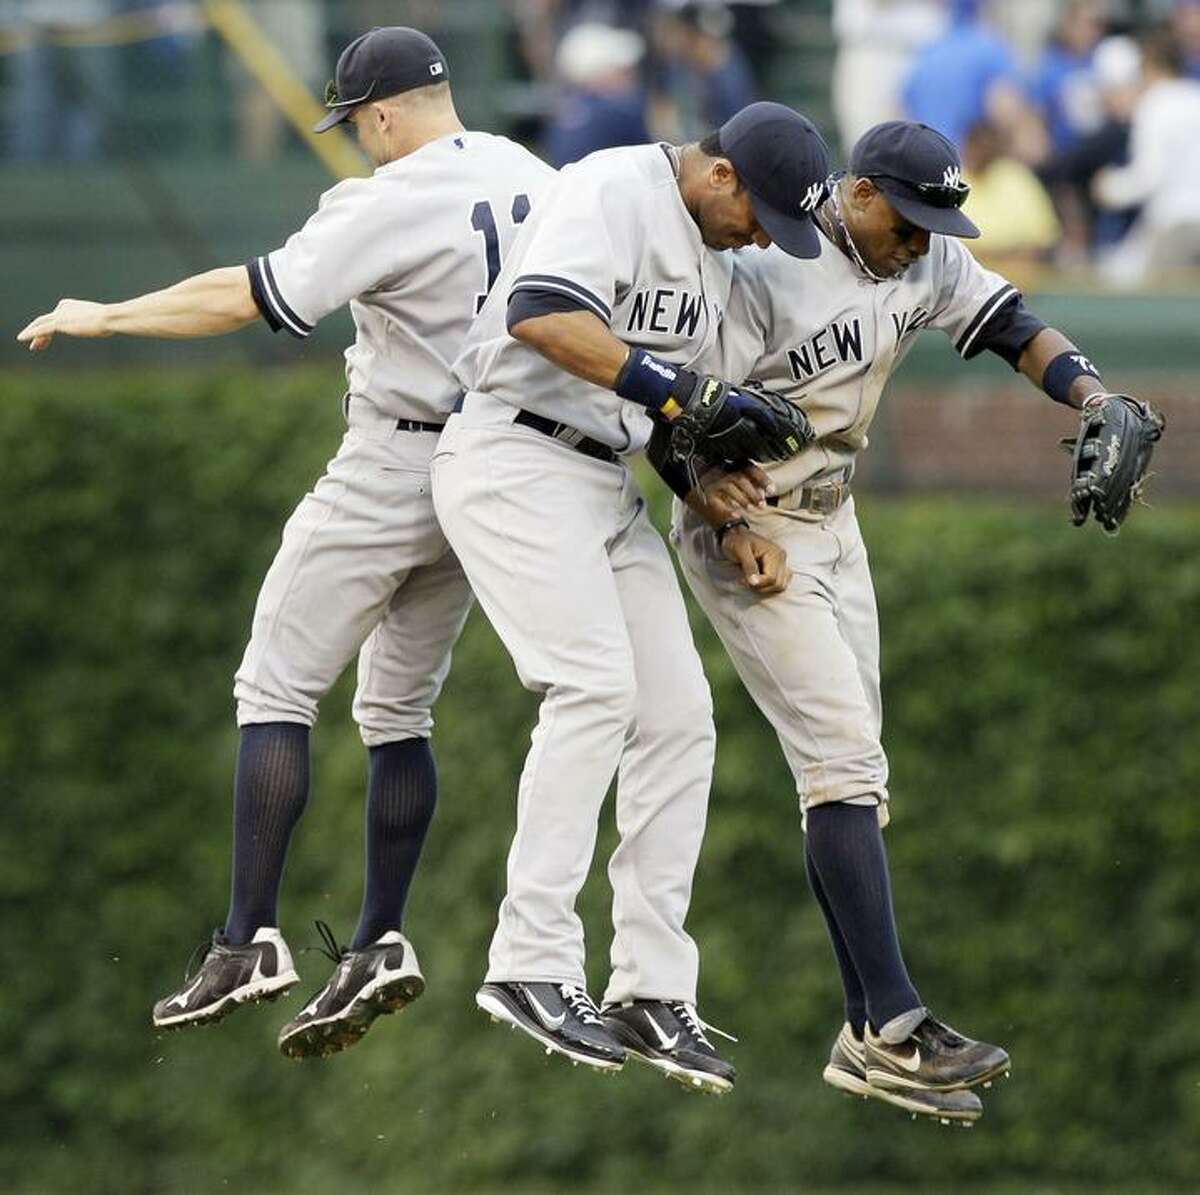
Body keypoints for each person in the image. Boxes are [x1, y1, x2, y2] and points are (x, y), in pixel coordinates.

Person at [17, 26, 553, 1060]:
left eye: (355, 122)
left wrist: (106, 314)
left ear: (385, 111)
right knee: (400, 706)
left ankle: (248, 935)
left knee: (274, 687)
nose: (355, 140)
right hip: (490, 468)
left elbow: (249, 297)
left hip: (393, 461)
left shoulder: (384, 197)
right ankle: (379, 936)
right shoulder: (535, 173)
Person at [664, 120, 1155, 1124]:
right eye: (913, 218)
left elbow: (1014, 325)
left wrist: (1096, 394)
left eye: (940, 221)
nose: (926, 241)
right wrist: (719, 510)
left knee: (851, 777)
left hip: (835, 523)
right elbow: (678, 408)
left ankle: (866, 1036)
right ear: (862, 193)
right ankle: (895, 1022)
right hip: (751, 522)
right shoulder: (768, 265)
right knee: (844, 763)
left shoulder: (922, 256)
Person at [433, 102, 830, 1093]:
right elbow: (540, 313)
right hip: (512, 453)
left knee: (679, 718)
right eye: (760, 215)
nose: (760, 237)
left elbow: (650, 412)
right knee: (594, 690)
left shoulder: (711, 251)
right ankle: (529, 962)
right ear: (722, 175)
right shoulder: (615, 187)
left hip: (598, 473)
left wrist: (713, 496)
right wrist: (681, 393)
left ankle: (650, 987)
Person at [1092, 26, 1200, 284]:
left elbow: (1148, 177)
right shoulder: (1195, 98)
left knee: (1134, 290)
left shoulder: (1154, 104)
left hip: (1176, 223)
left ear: (1151, 65)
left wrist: (1109, 188)